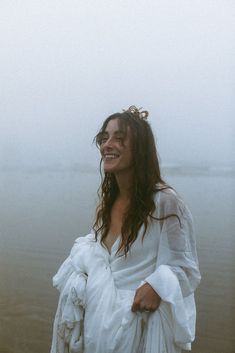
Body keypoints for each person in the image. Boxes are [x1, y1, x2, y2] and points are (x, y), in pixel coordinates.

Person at [50, 106, 201, 353]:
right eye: (104, 138)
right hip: (96, 328)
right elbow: (100, 255)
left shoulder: (166, 202)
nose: (107, 145)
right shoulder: (108, 203)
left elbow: (186, 268)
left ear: (140, 149)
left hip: (137, 333)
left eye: (119, 138)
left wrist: (158, 285)